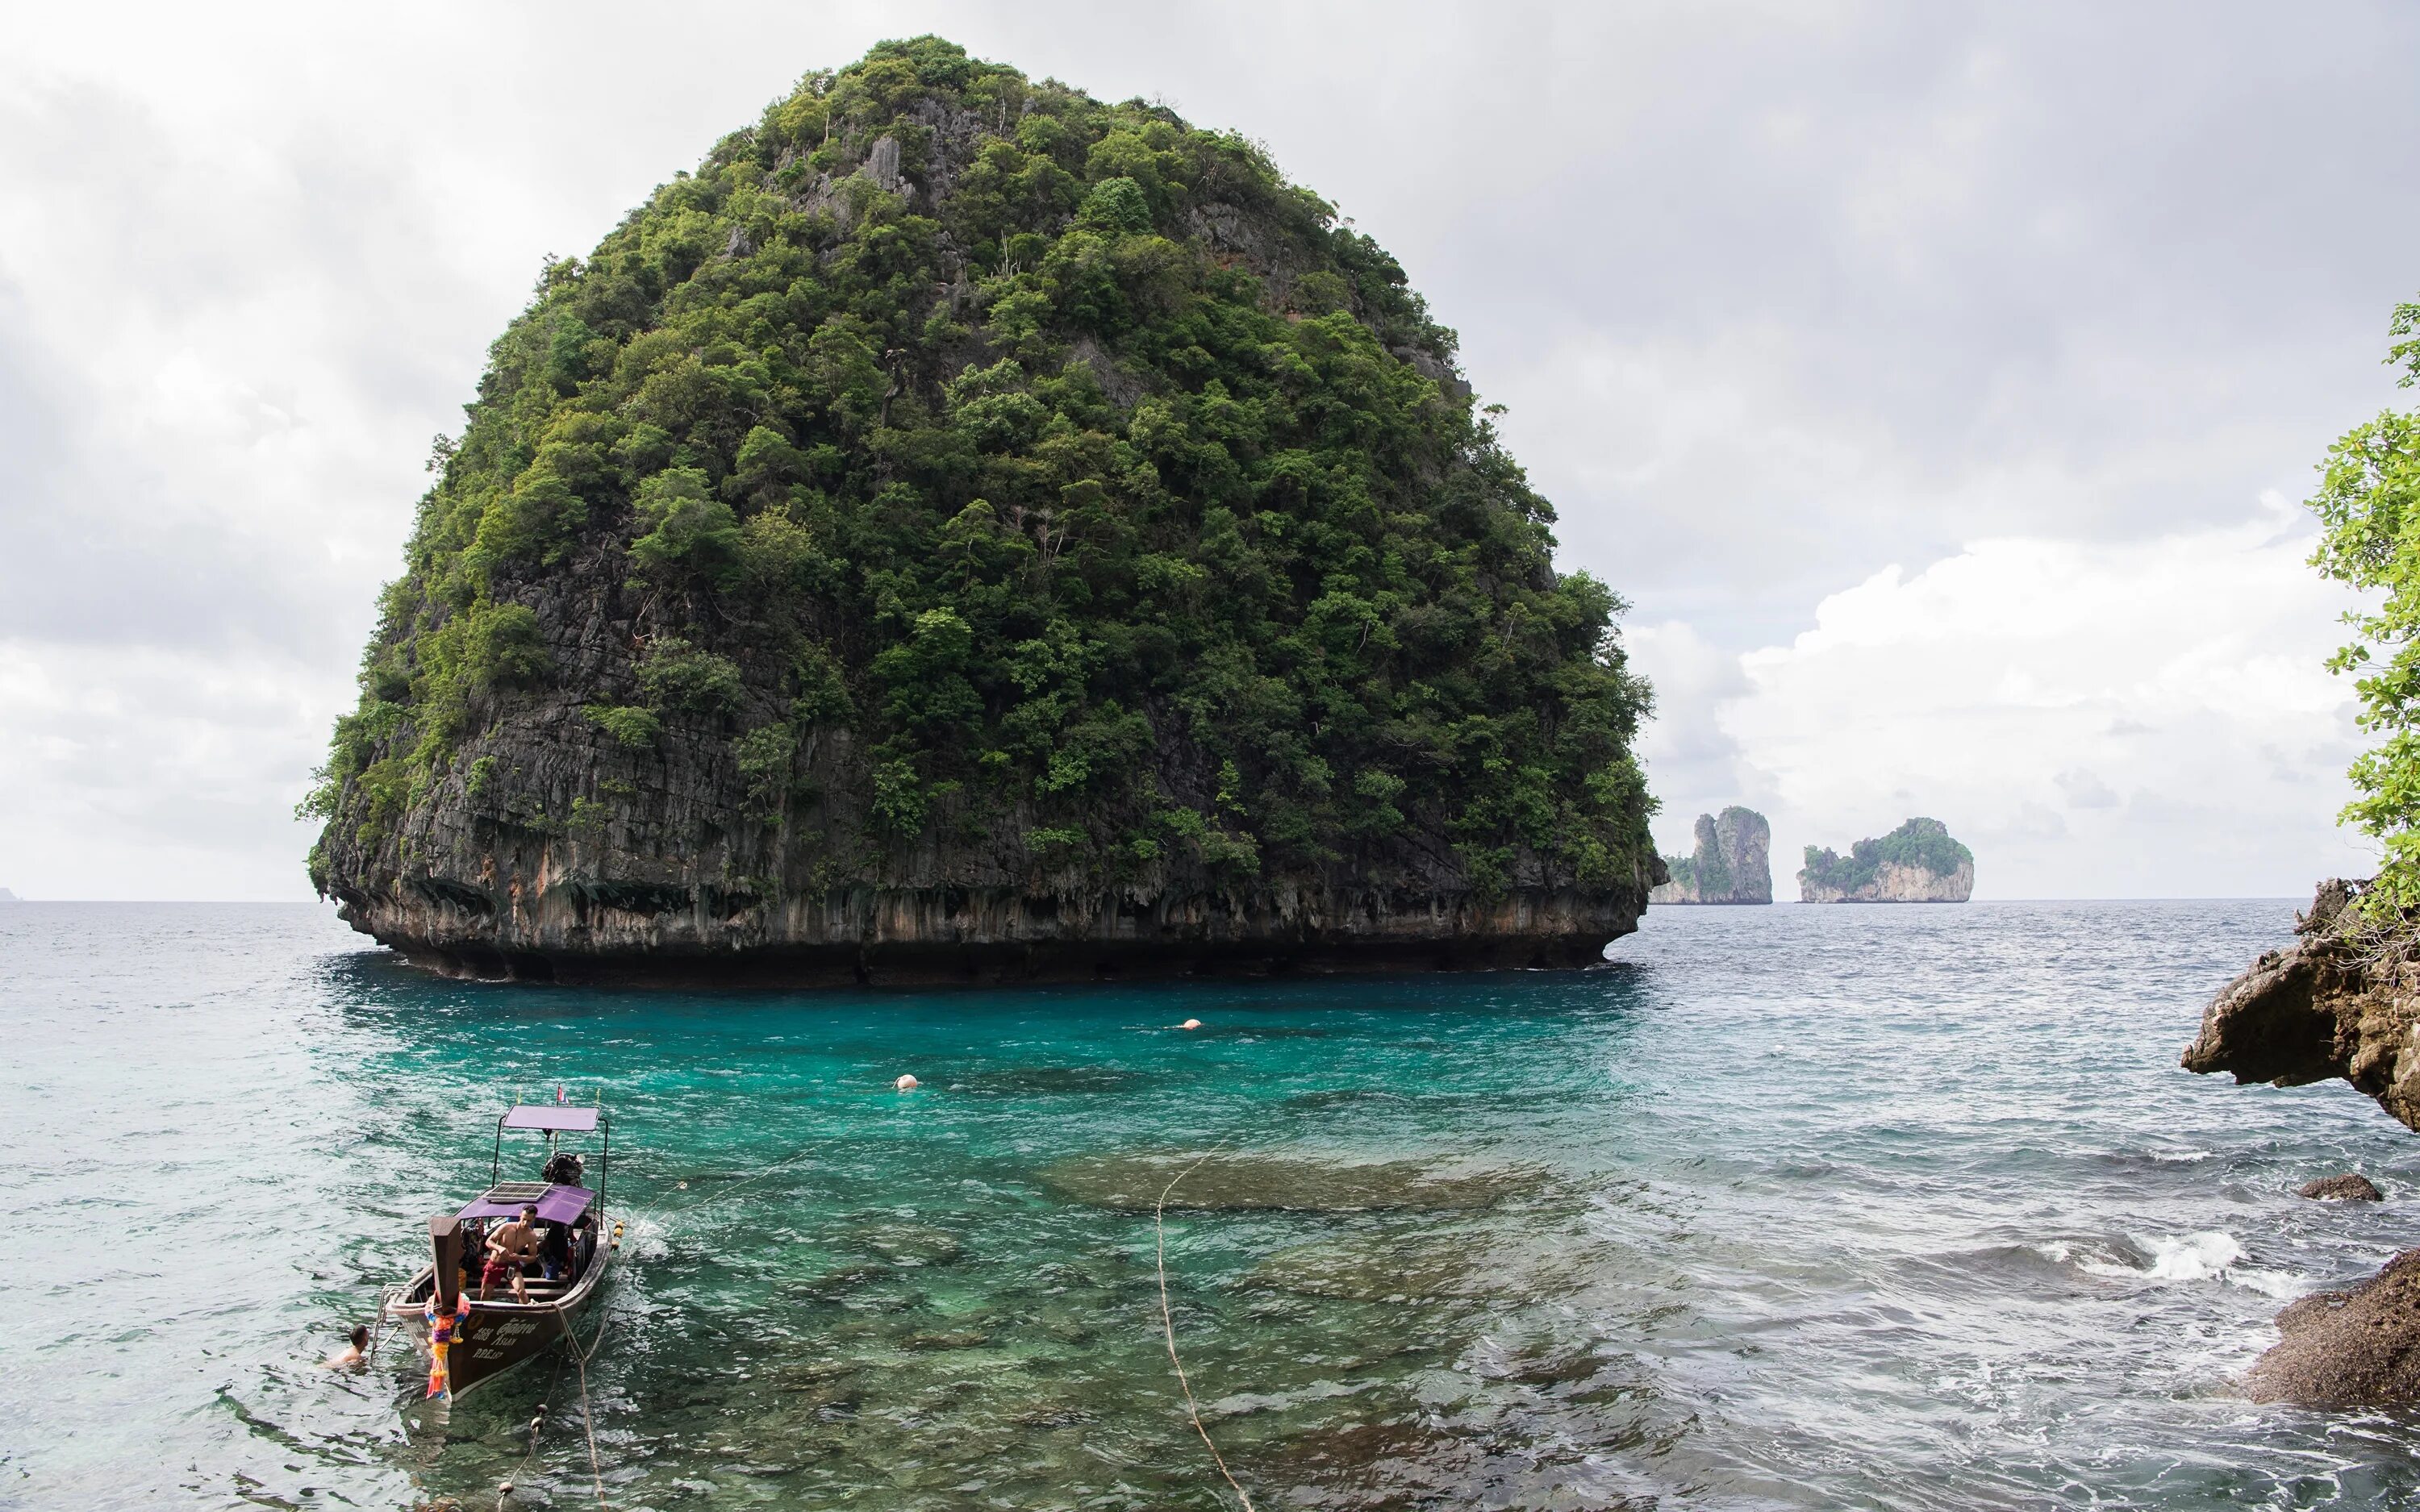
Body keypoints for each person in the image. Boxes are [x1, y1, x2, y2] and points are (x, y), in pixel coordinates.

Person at [482, 1204, 540, 1302]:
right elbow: (488, 1241)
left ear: (534, 1219)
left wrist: (519, 1257)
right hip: (495, 1264)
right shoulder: (506, 1227)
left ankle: (525, 1314)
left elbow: (533, 1257)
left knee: (521, 1291)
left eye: (529, 1221)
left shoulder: (531, 1236)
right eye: (524, 1219)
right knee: (485, 1293)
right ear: (520, 1216)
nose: (525, 1223)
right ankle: (483, 1314)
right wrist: (499, 1248)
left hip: (512, 1265)